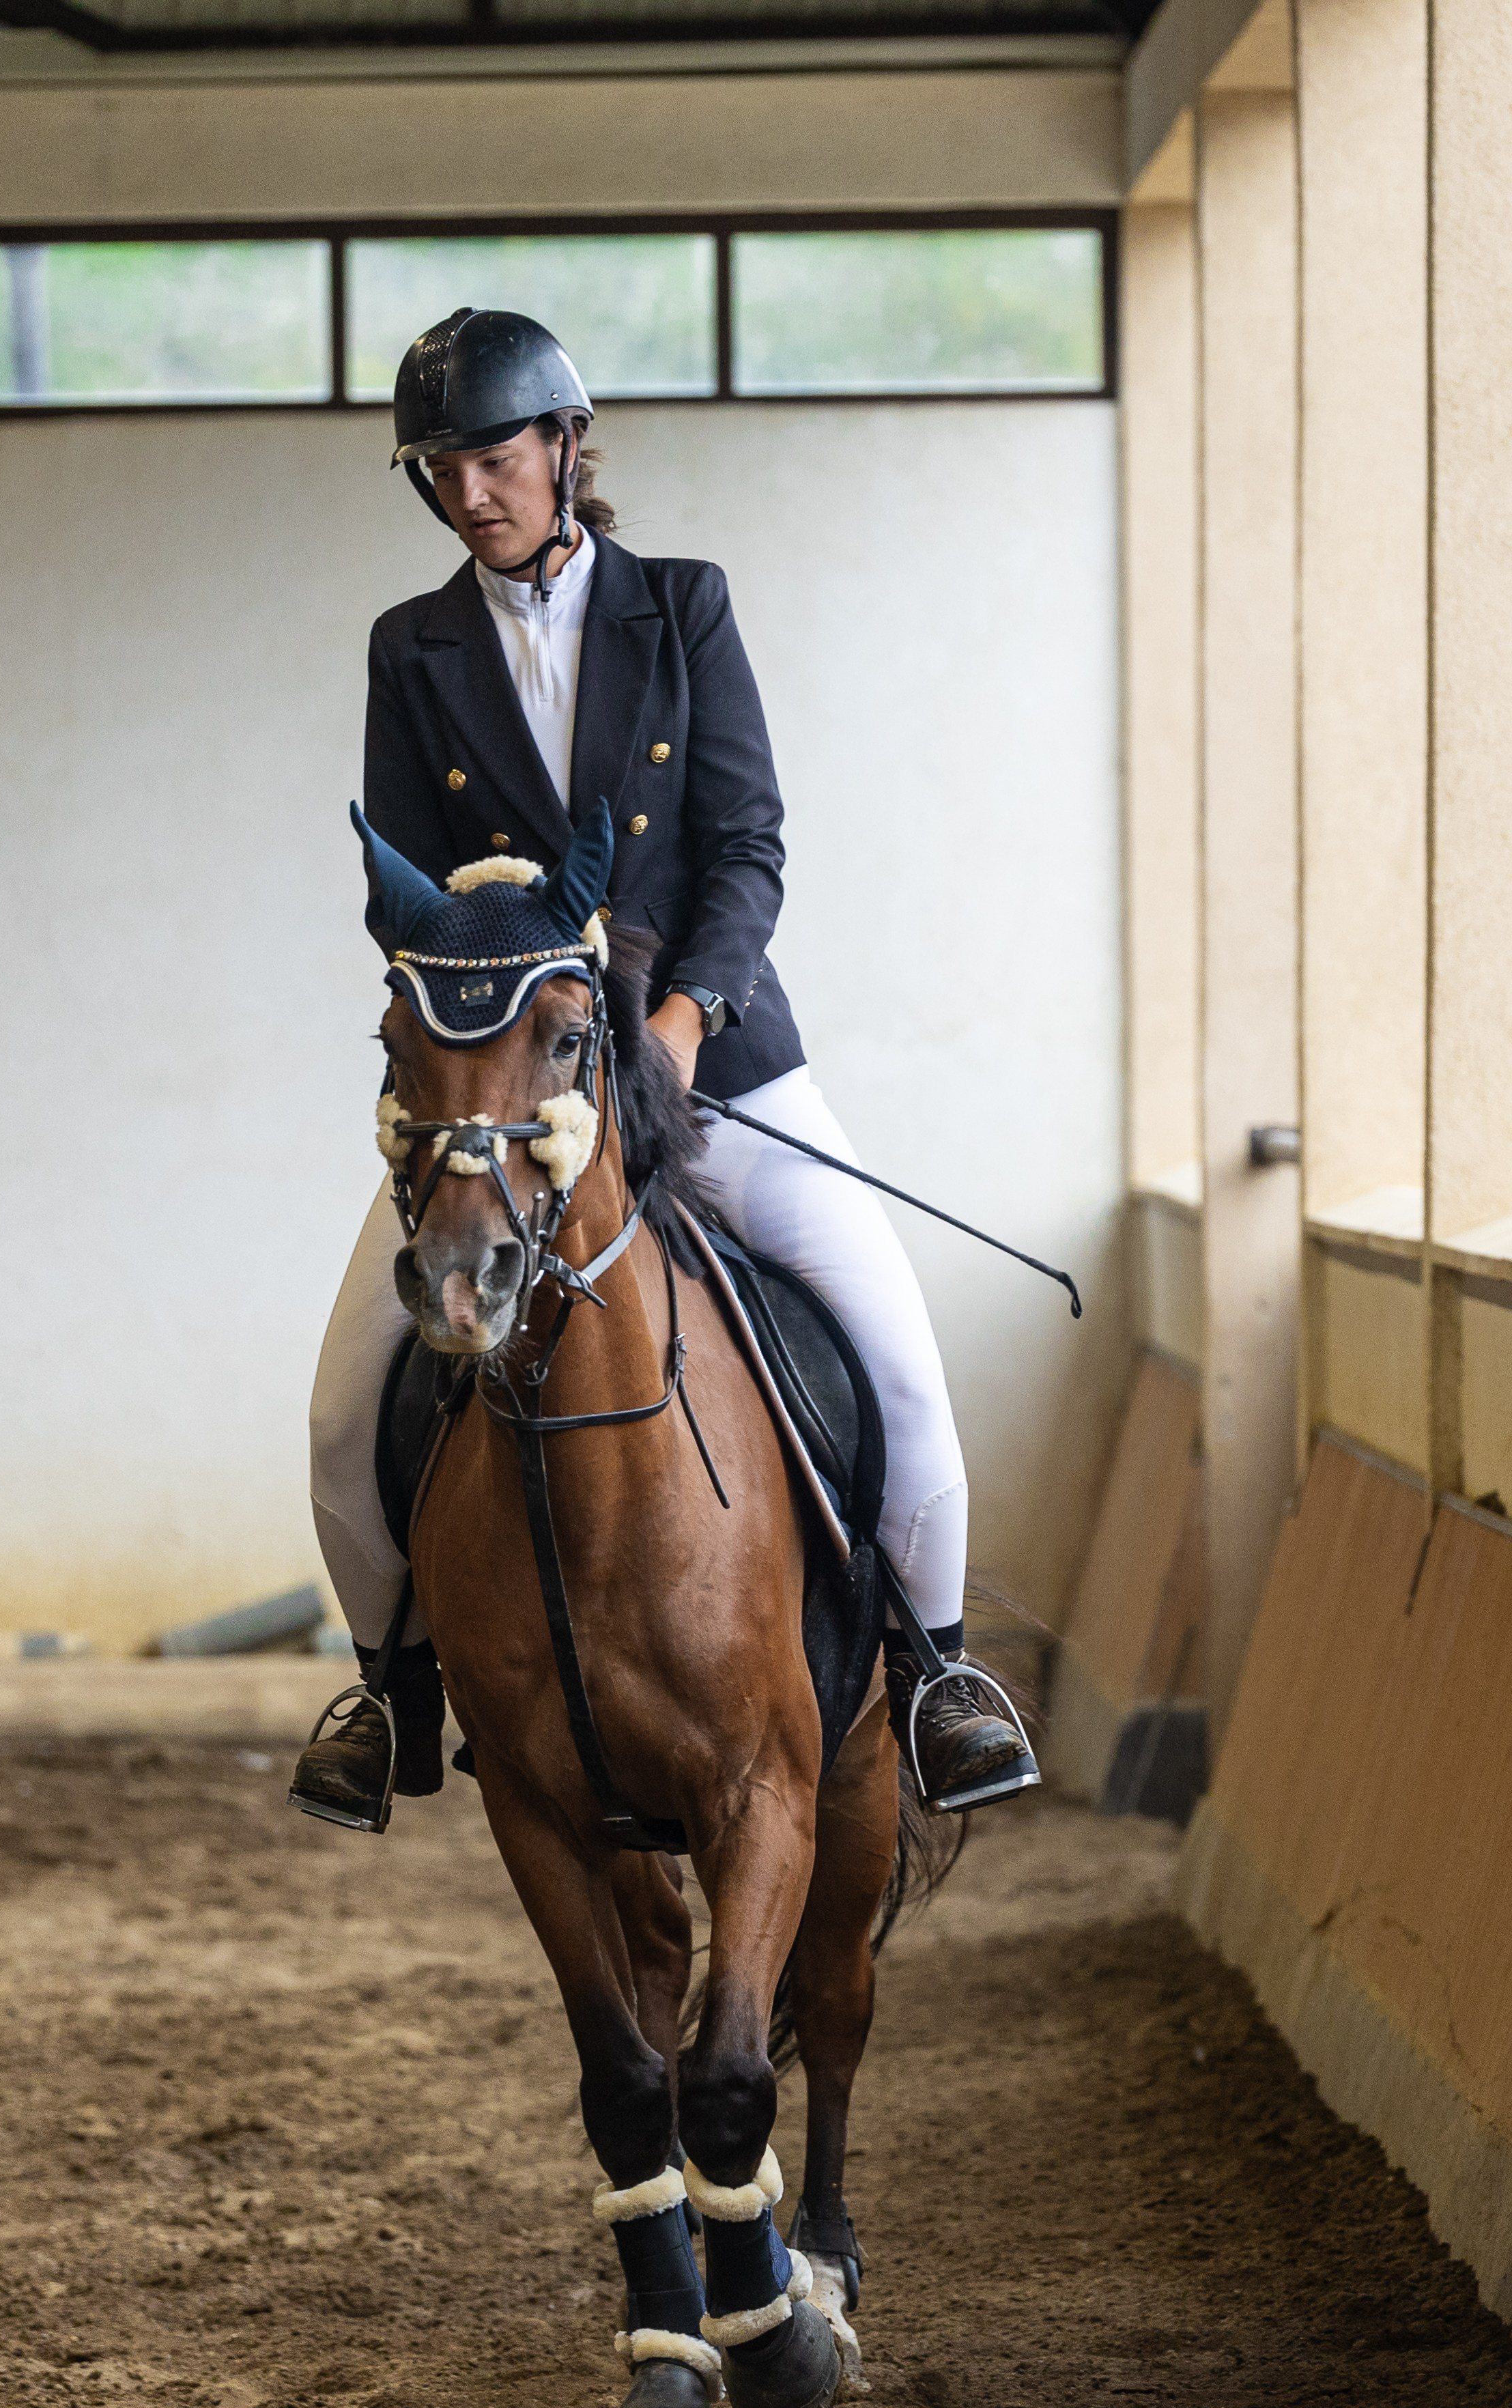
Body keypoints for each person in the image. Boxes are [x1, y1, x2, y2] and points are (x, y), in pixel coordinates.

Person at [294, 304, 1031, 1832]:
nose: (466, 491)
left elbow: (748, 843)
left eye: (491, 457)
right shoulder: (410, 648)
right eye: (438, 468)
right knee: (340, 1407)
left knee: (899, 1362)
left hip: (723, 1067)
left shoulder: (681, 607)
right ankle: (391, 1689)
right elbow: (416, 899)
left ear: (564, 447)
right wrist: (486, 1051)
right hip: (512, 1097)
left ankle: (942, 1673)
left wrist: (687, 1017)